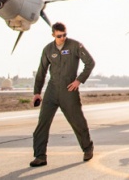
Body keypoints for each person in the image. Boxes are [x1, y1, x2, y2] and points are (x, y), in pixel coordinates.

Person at [30, 22, 95, 167]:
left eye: (65, 34)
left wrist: (79, 81)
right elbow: (41, 71)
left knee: (77, 122)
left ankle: (87, 148)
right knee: (42, 123)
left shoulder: (75, 46)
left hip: (69, 90)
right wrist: (37, 93)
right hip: (52, 90)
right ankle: (40, 156)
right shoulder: (48, 49)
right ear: (53, 34)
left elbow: (90, 63)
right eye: (59, 36)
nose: (63, 38)